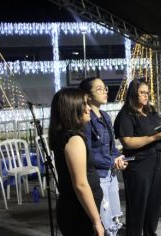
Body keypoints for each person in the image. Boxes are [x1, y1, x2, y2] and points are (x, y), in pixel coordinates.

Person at [113, 79, 161, 236]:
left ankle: (150, 233)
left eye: (147, 92)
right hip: (138, 165)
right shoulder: (126, 114)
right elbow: (128, 142)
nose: (146, 96)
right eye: (142, 92)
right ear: (133, 94)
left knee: (154, 203)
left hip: (156, 161)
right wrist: (153, 137)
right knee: (138, 206)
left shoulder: (150, 111)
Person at [48, 88, 104, 236]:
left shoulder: (65, 136)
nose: (88, 108)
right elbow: (80, 184)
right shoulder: (74, 140)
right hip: (79, 212)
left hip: (76, 209)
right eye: (83, 104)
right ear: (71, 109)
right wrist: (97, 221)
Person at [79, 77, 127, 236]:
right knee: (103, 221)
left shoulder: (105, 116)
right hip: (98, 176)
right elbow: (88, 153)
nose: (105, 92)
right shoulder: (86, 119)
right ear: (87, 96)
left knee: (113, 221)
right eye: (99, 89)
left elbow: (111, 146)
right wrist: (111, 160)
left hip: (111, 173)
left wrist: (118, 157)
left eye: (105, 88)